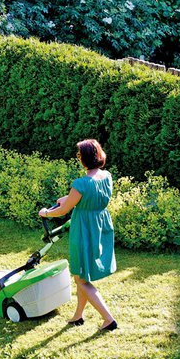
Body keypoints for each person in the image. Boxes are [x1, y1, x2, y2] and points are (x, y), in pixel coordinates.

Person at [38, 139, 117, 331]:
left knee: (81, 278)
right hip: (100, 226)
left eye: (79, 154)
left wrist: (45, 212)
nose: (78, 157)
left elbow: (63, 210)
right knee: (82, 275)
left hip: (84, 229)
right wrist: (69, 198)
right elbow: (91, 197)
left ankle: (108, 319)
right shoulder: (106, 176)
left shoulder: (80, 183)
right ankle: (78, 316)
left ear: (86, 158)